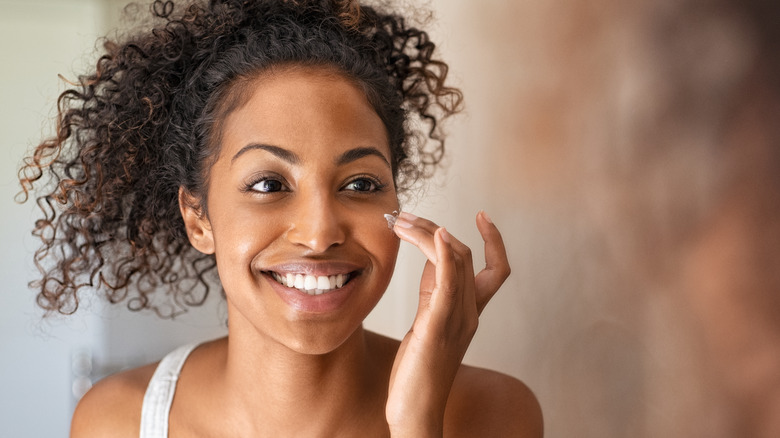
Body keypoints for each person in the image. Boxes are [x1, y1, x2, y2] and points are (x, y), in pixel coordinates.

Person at [17, 0, 542, 436]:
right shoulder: (116, 421)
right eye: (268, 185)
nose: (319, 233)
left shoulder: (491, 413)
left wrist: (417, 421)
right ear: (198, 219)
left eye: (360, 184)